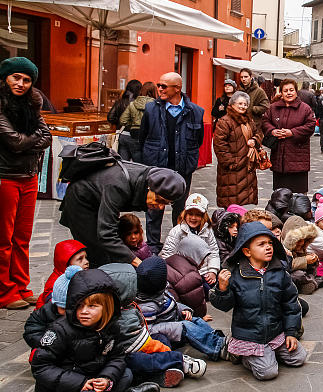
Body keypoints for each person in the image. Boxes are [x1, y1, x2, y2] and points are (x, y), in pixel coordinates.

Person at [29, 268, 160, 392]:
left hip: (92, 379)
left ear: (107, 307)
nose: (84, 311)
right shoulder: (60, 330)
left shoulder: (112, 327)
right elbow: (41, 366)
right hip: (61, 391)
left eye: (92, 306)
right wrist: (79, 383)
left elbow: (117, 358)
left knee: (126, 375)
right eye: (79, 305)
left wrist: (106, 378)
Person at [210, 222, 308, 380]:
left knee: (299, 357)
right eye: (261, 244)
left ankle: (269, 352)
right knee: (268, 372)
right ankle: (244, 355)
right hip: (250, 336)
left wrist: (291, 333)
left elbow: (290, 303)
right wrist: (222, 288)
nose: (268, 247)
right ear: (247, 251)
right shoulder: (236, 274)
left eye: (270, 243)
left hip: (275, 332)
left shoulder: (279, 271)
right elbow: (224, 305)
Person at [99, 263, 206, 388]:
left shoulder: (128, 307)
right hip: (125, 353)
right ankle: (178, 360)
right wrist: (157, 348)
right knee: (137, 360)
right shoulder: (111, 314)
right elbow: (132, 342)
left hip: (140, 341)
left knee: (161, 338)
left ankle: (167, 368)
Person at [0, 57, 52, 310]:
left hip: (29, 176)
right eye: (16, 78)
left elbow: (48, 137)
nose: (21, 83)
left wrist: (26, 140)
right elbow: (14, 141)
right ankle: (4, 291)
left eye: (27, 80)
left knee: (22, 237)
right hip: (5, 177)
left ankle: (21, 285)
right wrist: (30, 140)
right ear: (5, 78)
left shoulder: (32, 104)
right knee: (4, 239)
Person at [59, 163, 185, 267]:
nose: (160, 207)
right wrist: (137, 262)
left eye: (166, 203)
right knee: (97, 254)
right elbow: (107, 234)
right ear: (149, 187)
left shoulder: (145, 178)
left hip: (99, 199)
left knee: (110, 252)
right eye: (159, 200)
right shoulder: (118, 186)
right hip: (80, 203)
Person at [139, 72, 205, 250]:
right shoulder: (151, 109)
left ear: (177, 88)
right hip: (157, 167)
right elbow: (143, 137)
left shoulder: (195, 112)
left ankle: (178, 242)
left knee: (180, 208)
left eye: (163, 86)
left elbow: (198, 140)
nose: (159, 89)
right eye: (158, 85)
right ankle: (153, 245)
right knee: (153, 208)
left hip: (182, 168)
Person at [135, 256, 229, 361]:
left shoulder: (159, 291)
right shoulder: (147, 305)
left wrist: (184, 310)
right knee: (187, 326)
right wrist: (176, 327)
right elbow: (150, 329)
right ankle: (218, 348)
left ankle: (218, 339)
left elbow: (173, 303)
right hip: (167, 335)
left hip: (173, 321)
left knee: (196, 320)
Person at [262, 79, 316, 193]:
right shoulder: (273, 107)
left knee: (298, 197)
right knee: (280, 196)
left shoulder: (305, 108)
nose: (289, 93)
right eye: (285, 90)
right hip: (279, 160)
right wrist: (272, 131)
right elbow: (265, 121)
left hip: (298, 159)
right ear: (281, 92)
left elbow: (310, 126)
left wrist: (292, 133)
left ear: (296, 92)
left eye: (291, 90)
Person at [213, 90, 264, 208]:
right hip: (231, 170)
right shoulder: (225, 121)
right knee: (231, 203)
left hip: (247, 167)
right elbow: (220, 145)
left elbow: (259, 133)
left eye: (245, 104)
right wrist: (231, 163)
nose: (243, 106)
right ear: (232, 104)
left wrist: (255, 140)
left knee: (245, 204)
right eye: (240, 103)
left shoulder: (248, 120)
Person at [159, 193, 221, 287]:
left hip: (203, 272)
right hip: (182, 273)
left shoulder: (208, 231)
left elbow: (213, 252)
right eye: (190, 214)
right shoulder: (177, 232)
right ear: (185, 213)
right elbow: (168, 255)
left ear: (203, 216)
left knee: (215, 286)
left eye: (198, 215)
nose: (193, 218)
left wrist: (213, 270)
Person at [25, 265, 82, 348]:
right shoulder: (46, 311)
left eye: (72, 308)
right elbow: (32, 329)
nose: (67, 312)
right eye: (63, 308)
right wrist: (44, 343)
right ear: (55, 304)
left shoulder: (85, 316)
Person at [281, 215, 323, 295]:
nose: (302, 243)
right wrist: (305, 260)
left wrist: (312, 259)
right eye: (299, 240)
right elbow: (286, 265)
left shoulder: (301, 246)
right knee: (298, 275)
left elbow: (301, 258)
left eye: (304, 240)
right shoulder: (281, 248)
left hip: (299, 273)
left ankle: (311, 281)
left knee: (306, 270)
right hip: (287, 275)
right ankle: (315, 282)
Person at [35, 240, 89, 310]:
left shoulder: (80, 274)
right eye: (80, 259)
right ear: (66, 263)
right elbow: (55, 305)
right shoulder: (55, 283)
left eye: (86, 258)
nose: (86, 262)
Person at [118, 81, 157, 162]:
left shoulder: (133, 104)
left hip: (133, 134)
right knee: (140, 165)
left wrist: (133, 123)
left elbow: (122, 120)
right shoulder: (156, 105)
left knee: (123, 164)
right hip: (147, 137)